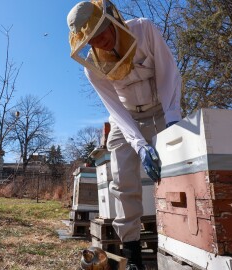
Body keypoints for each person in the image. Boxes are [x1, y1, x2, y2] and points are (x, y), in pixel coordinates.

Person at [67, 1, 181, 269]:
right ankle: (133, 257)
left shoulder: (144, 30)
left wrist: (173, 121)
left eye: (101, 33)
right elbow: (115, 108)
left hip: (161, 108)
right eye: (91, 40)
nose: (100, 42)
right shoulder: (92, 68)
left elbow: (168, 75)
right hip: (124, 117)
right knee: (122, 183)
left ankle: (179, 240)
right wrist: (139, 144)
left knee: (177, 172)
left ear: (111, 21)